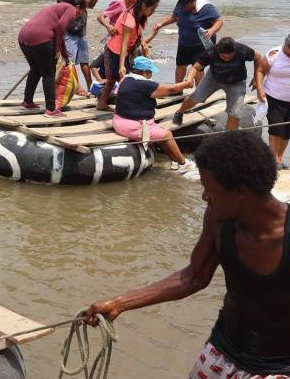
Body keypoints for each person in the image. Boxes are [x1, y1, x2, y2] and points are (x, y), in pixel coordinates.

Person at [85, 131, 290, 378]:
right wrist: (120, 303)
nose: (205, 197)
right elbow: (195, 276)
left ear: (241, 192)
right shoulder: (218, 218)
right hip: (223, 349)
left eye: (209, 190)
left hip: (278, 367)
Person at [111, 56, 198, 175]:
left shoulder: (125, 79)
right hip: (132, 126)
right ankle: (184, 164)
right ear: (145, 72)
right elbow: (171, 90)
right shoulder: (145, 85)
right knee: (167, 134)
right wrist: (186, 83)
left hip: (118, 121)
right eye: (150, 72)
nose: (151, 74)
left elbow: (122, 94)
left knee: (160, 131)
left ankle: (174, 160)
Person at [172, 37, 264, 131]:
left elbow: (258, 57)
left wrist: (256, 79)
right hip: (214, 78)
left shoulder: (242, 50)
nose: (227, 59)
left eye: (230, 56)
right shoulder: (210, 52)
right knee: (196, 97)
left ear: (234, 51)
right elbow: (195, 67)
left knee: (235, 113)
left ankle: (228, 138)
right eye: (224, 57)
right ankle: (179, 112)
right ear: (218, 51)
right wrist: (189, 79)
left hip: (236, 82)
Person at [18, 0, 87, 118]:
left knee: (35, 70)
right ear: (78, 7)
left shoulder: (58, 7)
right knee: (48, 74)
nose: (80, 15)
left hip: (24, 36)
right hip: (41, 38)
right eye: (82, 11)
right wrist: (57, 50)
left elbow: (59, 33)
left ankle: (27, 102)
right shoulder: (71, 9)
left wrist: (64, 51)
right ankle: (51, 109)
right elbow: (60, 26)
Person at [97, 0, 160, 111]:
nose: (153, 12)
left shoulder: (140, 15)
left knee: (113, 80)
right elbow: (123, 44)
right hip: (116, 51)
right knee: (125, 80)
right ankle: (127, 107)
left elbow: (138, 34)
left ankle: (102, 103)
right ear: (143, 6)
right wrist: (121, 65)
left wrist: (142, 43)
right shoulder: (129, 18)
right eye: (152, 9)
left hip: (123, 51)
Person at [151, 0, 224, 83]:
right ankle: (177, 89)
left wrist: (211, 30)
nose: (184, 7)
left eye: (186, 4)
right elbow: (174, 17)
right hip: (184, 43)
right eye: (182, 4)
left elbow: (219, 21)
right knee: (180, 65)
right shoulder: (180, 4)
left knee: (197, 68)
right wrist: (161, 24)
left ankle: (199, 92)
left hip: (200, 44)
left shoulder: (207, 8)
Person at [57, 0, 112, 94]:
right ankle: (74, 88)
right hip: (69, 32)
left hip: (81, 32)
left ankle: (89, 87)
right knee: (69, 62)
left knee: (84, 62)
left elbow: (90, 4)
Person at [256, 34, 290, 168]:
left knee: (287, 131)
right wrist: (259, 89)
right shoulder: (274, 54)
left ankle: (279, 158)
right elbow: (260, 70)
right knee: (276, 128)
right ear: (285, 45)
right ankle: (273, 158)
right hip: (274, 97)